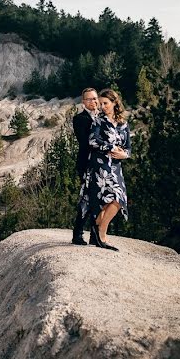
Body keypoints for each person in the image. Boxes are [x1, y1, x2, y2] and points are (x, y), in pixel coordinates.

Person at [78, 88, 130, 251]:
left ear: (115, 103)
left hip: (115, 167)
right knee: (101, 201)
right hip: (100, 166)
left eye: (105, 103)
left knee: (118, 198)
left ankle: (98, 227)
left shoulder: (123, 124)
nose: (102, 106)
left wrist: (124, 155)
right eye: (100, 104)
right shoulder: (98, 121)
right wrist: (111, 147)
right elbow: (92, 141)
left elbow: (128, 148)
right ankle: (101, 236)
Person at [71, 88, 99, 245]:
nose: (93, 102)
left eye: (95, 99)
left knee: (100, 200)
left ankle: (95, 235)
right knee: (86, 199)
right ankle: (77, 234)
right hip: (87, 164)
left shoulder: (103, 118)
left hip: (101, 165)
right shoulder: (79, 119)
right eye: (89, 99)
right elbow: (85, 142)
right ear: (83, 102)